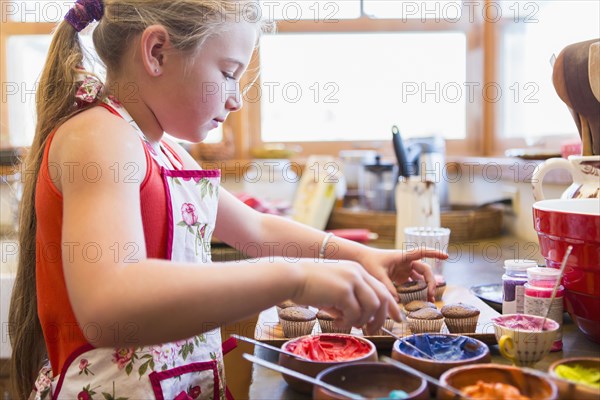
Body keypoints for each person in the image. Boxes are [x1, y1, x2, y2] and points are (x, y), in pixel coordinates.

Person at [8, 0, 447, 399]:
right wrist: (293, 276)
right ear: (157, 52)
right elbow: (107, 305)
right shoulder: (98, 138)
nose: (237, 99)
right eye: (228, 72)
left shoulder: (160, 147)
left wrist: (358, 255)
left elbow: (256, 229)